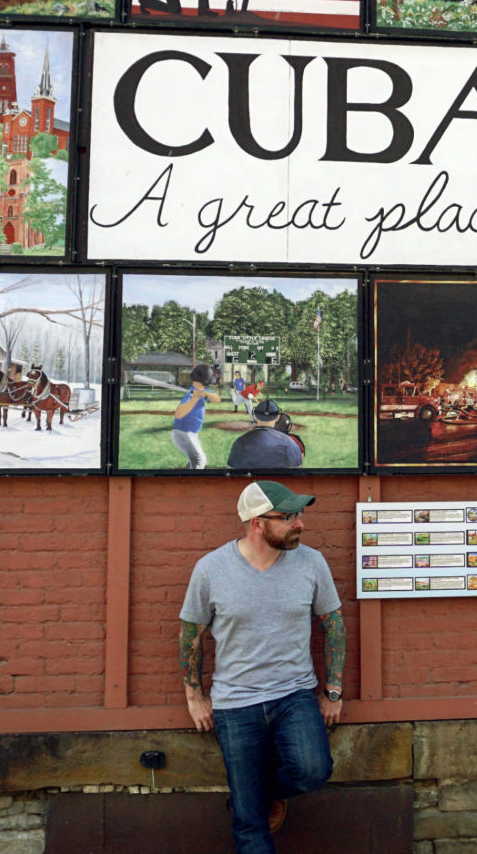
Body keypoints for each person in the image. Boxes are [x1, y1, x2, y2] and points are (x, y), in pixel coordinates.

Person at [180, 480, 345, 852]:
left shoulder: (311, 562)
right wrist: (195, 697)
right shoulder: (211, 569)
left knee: (313, 771)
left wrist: (332, 691)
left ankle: (259, 791)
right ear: (257, 523)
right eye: (287, 516)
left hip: (295, 696)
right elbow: (191, 635)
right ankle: (250, 800)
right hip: (235, 704)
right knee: (249, 822)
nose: (299, 523)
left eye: (299, 514)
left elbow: (333, 625)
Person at [227, 400, 305, 471]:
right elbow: (296, 475)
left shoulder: (240, 442)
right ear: (277, 417)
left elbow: (231, 474)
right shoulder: (290, 443)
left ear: (255, 416)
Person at [171, 363, 221, 470]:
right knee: (199, 460)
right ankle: (190, 482)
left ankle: (186, 474)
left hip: (191, 433)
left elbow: (217, 399)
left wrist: (204, 394)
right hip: (183, 433)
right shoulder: (190, 395)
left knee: (196, 460)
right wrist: (194, 398)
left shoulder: (201, 391)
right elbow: (179, 413)